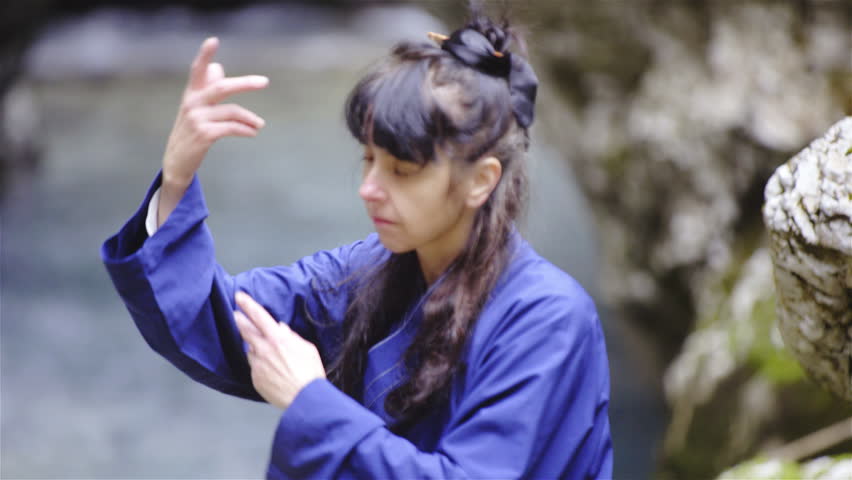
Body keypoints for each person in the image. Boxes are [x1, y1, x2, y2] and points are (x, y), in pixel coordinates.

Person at [101, 12, 613, 480]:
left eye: (402, 170)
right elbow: (219, 320)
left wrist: (310, 401)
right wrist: (177, 178)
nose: (369, 188)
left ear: (481, 181)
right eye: (368, 160)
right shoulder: (368, 270)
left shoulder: (549, 321)